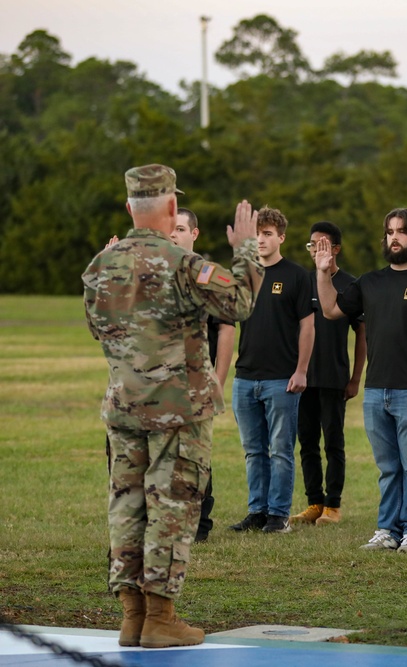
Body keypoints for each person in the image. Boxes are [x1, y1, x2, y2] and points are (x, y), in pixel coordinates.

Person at [83, 164, 262, 648]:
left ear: (129, 208)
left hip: (123, 407)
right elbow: (239, 303)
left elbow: (98, 328)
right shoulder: (184, 263)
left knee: (127, 505)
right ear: (169, 207)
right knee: (172, 506)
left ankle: (132, 616)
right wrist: (247, 250)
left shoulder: (100, 266)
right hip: (178, 411)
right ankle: (160, 618)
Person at [315, 208, 407, 554]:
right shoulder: (369, 282)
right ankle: (387, 530)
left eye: (402, 232)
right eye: (390, 231)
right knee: (388, 468)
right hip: (376, 391)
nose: (394, 237)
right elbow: (332, 310)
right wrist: (323, 273)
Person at [229, 207, 315, 535]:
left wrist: (301, 370)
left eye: (267, 234)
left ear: (281, 237)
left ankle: (278, 515)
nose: (261, 240)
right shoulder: (244, 274)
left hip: (282, 378)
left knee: (280, 450)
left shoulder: (296, 276)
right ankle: (257, 510)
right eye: (256, 234)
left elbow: (308, 327)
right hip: (245, 377)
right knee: (253, 450)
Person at [290, 222, 366, 527]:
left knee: (333, 442)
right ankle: (314, 502)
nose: (315, 250)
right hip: (302, 379)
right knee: (306, 442)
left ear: (335, 249)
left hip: (334, 377)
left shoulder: (350, 285)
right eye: (311, 245)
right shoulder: (303, 283)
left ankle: (333, 506)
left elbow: (362, 335)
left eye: (321, 245)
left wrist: (355, 378)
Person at [169, 208, 237, 544]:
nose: (173, 234)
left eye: (180, 228)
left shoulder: (207, 274)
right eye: (170, 228)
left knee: (196, 454)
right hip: (162, 385)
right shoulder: (159, 271)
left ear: (194, 234)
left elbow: (225, 329)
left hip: (197, 384)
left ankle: (200, 523)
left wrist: (218, 380)